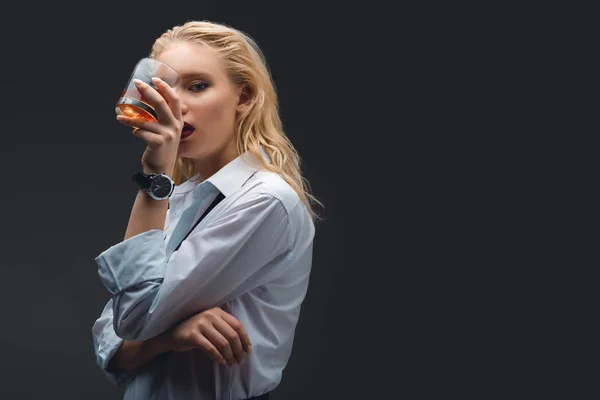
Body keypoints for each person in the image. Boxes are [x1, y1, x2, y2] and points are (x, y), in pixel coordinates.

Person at [91, 20, 323, 400]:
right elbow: (110, 339)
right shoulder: (183, 195)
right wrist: (166, 339)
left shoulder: (263, 201)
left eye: (198, 86)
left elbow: (129, 320)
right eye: (163, 88)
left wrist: (154, 174)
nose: (174, 104)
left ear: (243, 97)